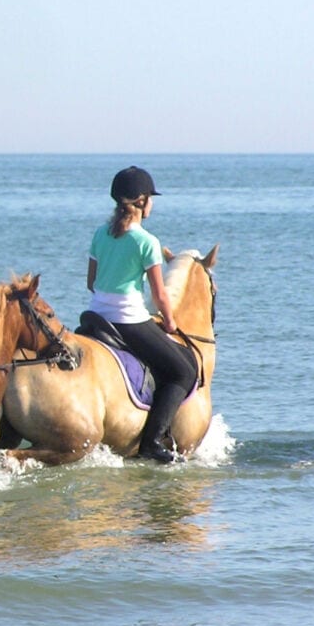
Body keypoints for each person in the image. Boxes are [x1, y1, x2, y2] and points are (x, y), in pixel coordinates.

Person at [87, 166, 198, 463]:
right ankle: (151, 442)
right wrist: (171, 322)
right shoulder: (147, 241)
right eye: (150, 197)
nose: (152, 203)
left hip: (96, 316)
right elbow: (160, 295)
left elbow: (91, 283)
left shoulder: (100, 234)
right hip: (129, 321)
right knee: (184, 371)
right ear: (141, 201)